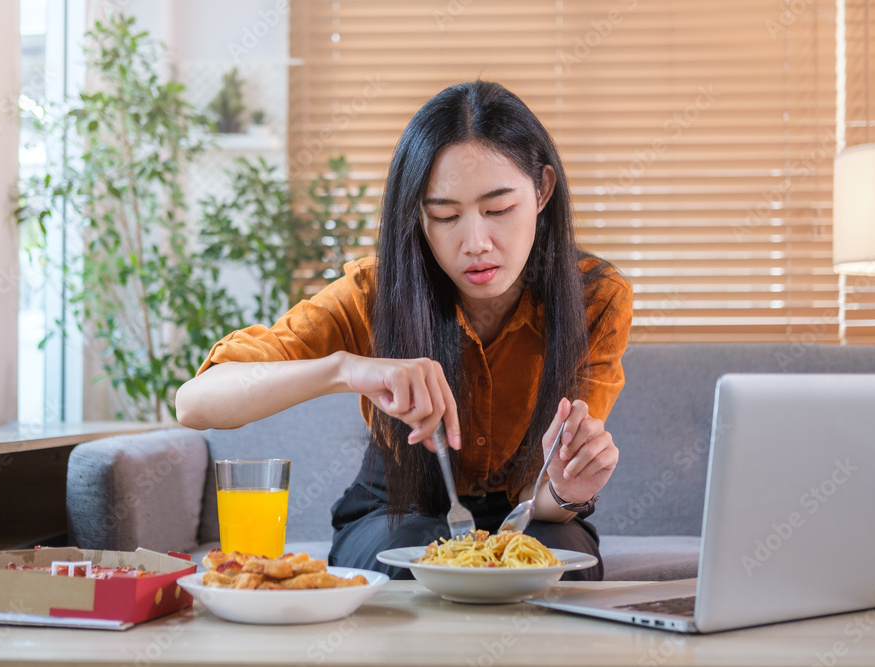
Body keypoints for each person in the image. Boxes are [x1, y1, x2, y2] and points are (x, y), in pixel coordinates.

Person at [176, 80, 632, 580]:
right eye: (445, 215)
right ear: (417, 214)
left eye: (499, 209)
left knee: (559, 565)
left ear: (543, 190)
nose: (475, 242)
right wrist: (344, 370)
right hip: (395, 505)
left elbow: (540, 500)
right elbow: (196, 403)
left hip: (534, 508)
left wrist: (565, 490)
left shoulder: (595, 298)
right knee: (416, 559)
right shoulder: (374, 291)